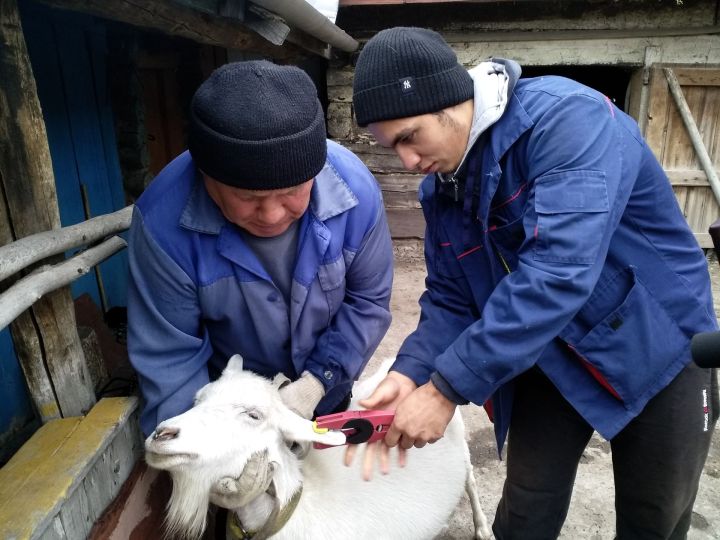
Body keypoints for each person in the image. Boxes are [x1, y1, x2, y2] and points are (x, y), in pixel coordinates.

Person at [351, 27, 719, 539]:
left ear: (451, 101)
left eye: (410, 137)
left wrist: (445, 389)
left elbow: (557, 272)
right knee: (526, 510)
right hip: (546, 355)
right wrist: (412, 371)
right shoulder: (444, 189)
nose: (408, 162)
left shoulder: (570, 121)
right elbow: (453, 296)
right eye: (393, 148)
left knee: (654, 517)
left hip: (658, 344)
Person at [127, 61, 393, 502]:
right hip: (228, 413)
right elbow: (169, 359)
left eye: (292, 192)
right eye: (247, 198)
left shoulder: (356, 195)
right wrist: (207, 462)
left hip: (324, 394)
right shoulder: (162, 226)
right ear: (206, 175)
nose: (271, 215)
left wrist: (319, 382)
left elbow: (368, 302)